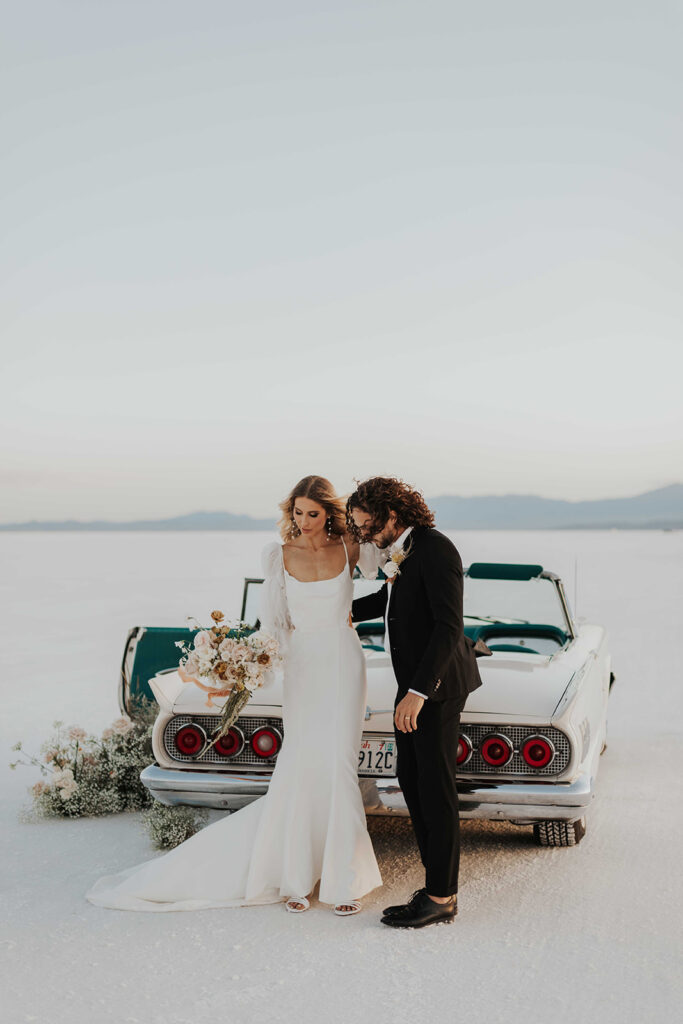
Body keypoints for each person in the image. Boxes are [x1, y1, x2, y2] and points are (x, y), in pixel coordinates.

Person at [87, 475, 381, 915]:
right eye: (297, 513)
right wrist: (246, 667)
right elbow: (273, 624)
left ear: (329, 514)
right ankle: (294, 877)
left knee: (339, 762)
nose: (303, 522)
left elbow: (389, 571)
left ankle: (345, 881)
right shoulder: (278, 556)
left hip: (344, 658)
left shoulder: (350, 548)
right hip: (303, 662)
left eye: (312, 514)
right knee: (301, 759)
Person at [347, 476, 482, 928]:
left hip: (436, 690)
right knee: (410, 778)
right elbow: (389, 601)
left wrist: (418, 693)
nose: (364, 535)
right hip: (414, 687)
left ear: (392, 515)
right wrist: (339, 611)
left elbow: (448, 626)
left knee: (435, 789)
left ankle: (443, 897)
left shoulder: (436, 549)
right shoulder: (402, 552)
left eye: (367, 527)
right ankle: (434, 887)